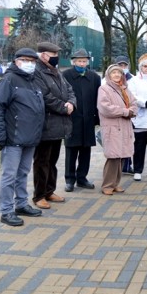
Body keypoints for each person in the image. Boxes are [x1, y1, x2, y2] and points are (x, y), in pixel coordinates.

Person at [0, 48, 45, 226]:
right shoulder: (9, 80)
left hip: (30, 137)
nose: (30, 63)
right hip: (13, 138)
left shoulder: (33, 81)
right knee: (9, 175)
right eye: (25, 60)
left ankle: (21, 204)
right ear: (16, 61)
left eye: (33, 60)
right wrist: (0, 135)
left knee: (23, 173)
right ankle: (6, 211)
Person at [32, 41, 76, 210]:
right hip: (46, 124)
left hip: (59, 124)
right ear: (43, 55)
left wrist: (71, 103)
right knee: (41, 161)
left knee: (52, 160)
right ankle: (39, 195)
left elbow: (69, 90)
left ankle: (49, 191)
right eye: (54, 55)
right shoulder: (37, 72)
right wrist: (64, 107)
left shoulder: (56, 71)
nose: (57, 58)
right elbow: (44, 96)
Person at [62, 48, 101, 192]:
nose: (82, 63)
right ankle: (69, 179)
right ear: (73, 62)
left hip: (89, 119)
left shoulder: (94, 77)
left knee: (86, 150)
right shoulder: (65, 75)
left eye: (84, 61)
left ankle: (82, 178)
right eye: (79, 61)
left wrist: (97, 117)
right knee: (71, 150)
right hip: (72, 119)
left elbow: (98, 99)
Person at [97, 64, 138, 195]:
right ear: (109, 75)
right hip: (112, 128)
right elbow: (105, 108)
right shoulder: (104, 89)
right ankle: (107, 185)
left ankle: (115, 183)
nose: (116, 75)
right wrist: (126, 112)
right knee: (113, 157)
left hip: (124, 127)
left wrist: (131, 111)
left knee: (121, 156)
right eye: (113, 72)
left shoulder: (124, 89)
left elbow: (134, 104)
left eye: (119, 73)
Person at [115, 55, 134, 174]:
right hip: (117, 114)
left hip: (129, 114)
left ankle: (128, 164)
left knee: (128, 140)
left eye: (124, 65)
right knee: (117, 141)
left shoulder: (133, 79)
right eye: (120, 65)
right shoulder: (109, 80)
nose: (123, 67)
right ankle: (117, 165)